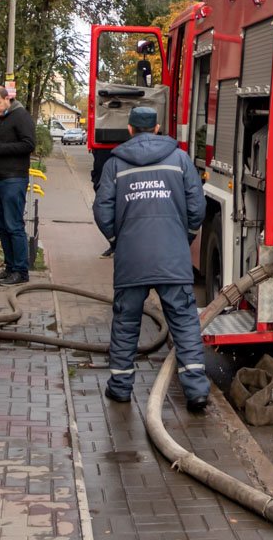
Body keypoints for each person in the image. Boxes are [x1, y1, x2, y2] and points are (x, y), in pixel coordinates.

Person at [93, 106, 209, 412]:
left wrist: (118, 241)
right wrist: (185, 237)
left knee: (126, 322)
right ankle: (196, 392)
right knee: (184, 323)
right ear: (157, 128)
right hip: (173, 256)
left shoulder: (115, 164)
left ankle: (120, 388)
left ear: (130, 129)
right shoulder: (180, 159)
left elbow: (102, 209)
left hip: (132, 258)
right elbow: (197, 206)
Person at [0, 85, 36, 286]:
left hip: (13, 178)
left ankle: (21, 271)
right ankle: (9, 267)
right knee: (2, 226)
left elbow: (29, 144)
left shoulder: (21, 116)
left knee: (14, 225)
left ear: (7, 99)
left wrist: (1, 149)